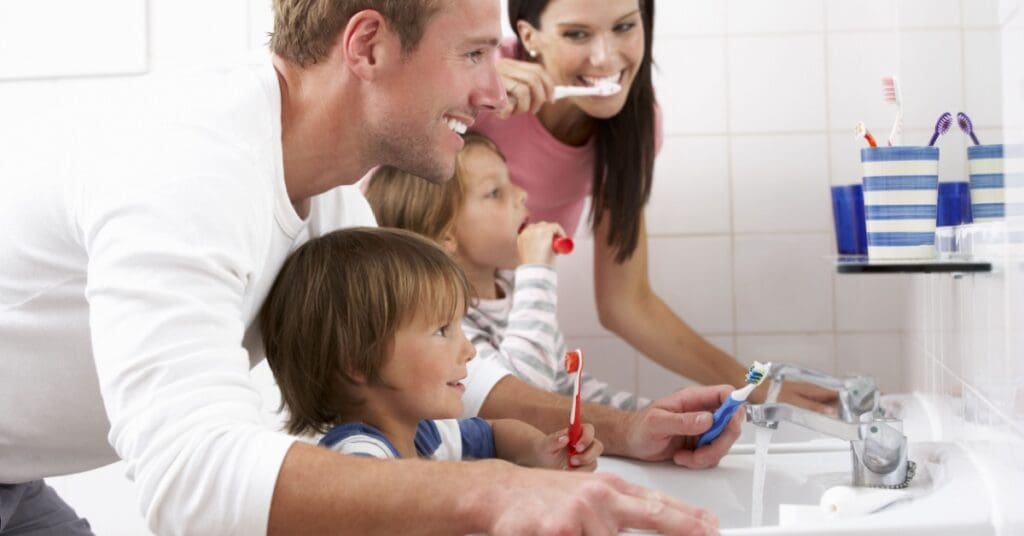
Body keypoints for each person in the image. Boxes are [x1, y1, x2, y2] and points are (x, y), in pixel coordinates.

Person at [0, 0, 726, 534]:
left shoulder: (327, 188)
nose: (493, 93)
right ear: (369, 46)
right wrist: (492, 491)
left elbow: (435, 364)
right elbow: (192, 479)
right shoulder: (189, 165)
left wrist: (626, 429)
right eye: (473, 55)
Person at [471, 0, 839, 413]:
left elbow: (626, 304)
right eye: (577, 33)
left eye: (625, 26)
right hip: (425, 317)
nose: (605, 57)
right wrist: (458, 79)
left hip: (506, 326)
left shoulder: (635, 124)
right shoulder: (478, 78)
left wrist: (752, 386)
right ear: (528, 36)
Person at [260, 226, 603, 470]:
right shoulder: (357, 458)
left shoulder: (424, 433)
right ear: (359, 360)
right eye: (442, 330)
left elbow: (495, 432)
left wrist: (542, 450)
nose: (469, 350)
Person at [366, 132, 648, 410]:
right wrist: (537, 273)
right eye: (495, 193)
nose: (521, 195)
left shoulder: (513, 291)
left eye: (510, 183)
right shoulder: (444, 320)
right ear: (447, 234)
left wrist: (651, 414)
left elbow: (567, 387)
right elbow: (528, 399)